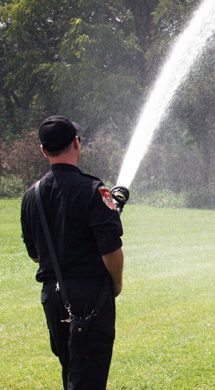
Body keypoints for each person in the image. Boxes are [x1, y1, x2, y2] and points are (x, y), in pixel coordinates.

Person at [20, 116, 124, 389]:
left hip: (53, 298)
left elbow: (35, 253)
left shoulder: (32, 195)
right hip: (91, 298)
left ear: (44, 150)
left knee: (72, 370)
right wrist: (116, 283)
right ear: (76, 143)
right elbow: (111, 250)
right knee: (89, 377)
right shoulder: (94, 190)